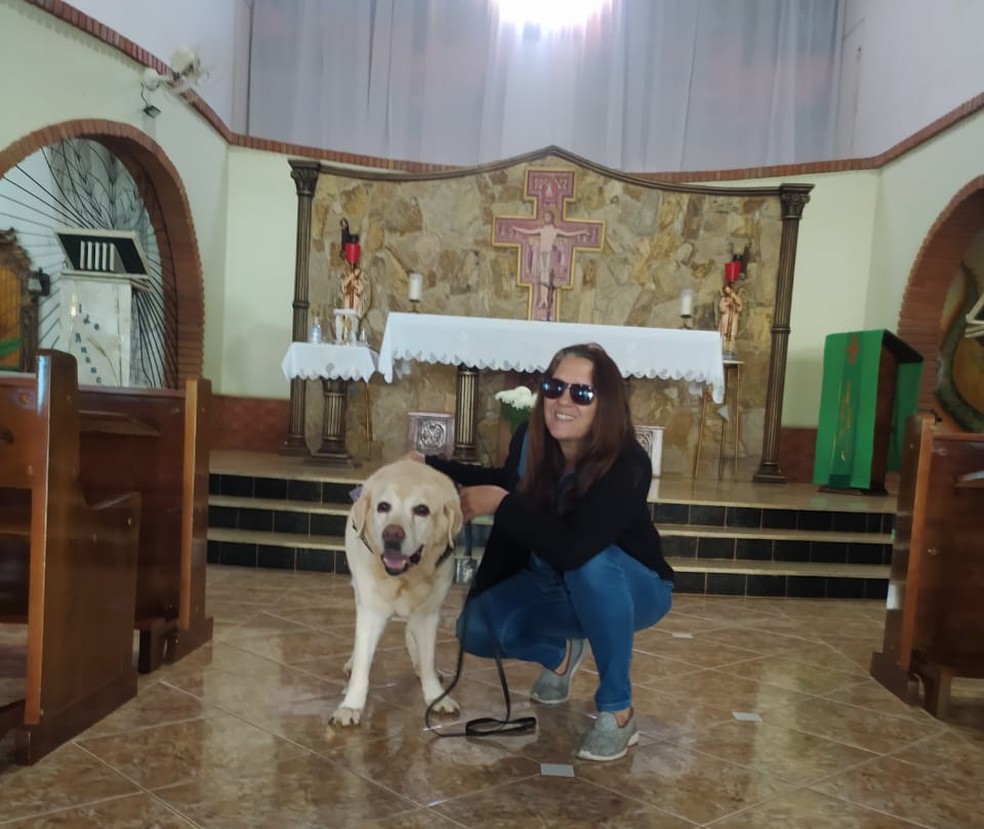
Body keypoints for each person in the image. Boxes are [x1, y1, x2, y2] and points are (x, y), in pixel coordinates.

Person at [411, 342, 674, 761]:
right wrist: (431, 464)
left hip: (630, 584)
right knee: (475, 628)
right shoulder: (531, 439)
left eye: (581, 394)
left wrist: (501, 505)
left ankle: (618, 711)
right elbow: (502, 481)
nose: (563, 401)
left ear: (604, 404)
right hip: (548, 579)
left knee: (590, 565)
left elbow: (574, 548)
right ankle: (560, 654)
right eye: (554, 387)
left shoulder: (628, 464)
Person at [718, 283, 742, 353]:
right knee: (723, 341)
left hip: (733, 323)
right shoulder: (723, 299)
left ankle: (730, 351)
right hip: (724, 323)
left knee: (731, 340)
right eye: (726, 290)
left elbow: (739, 307)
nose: (727, 291)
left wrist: (734, 297)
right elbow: (722, 309)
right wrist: (727, 304)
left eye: (729, 290)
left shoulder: (736, 299)